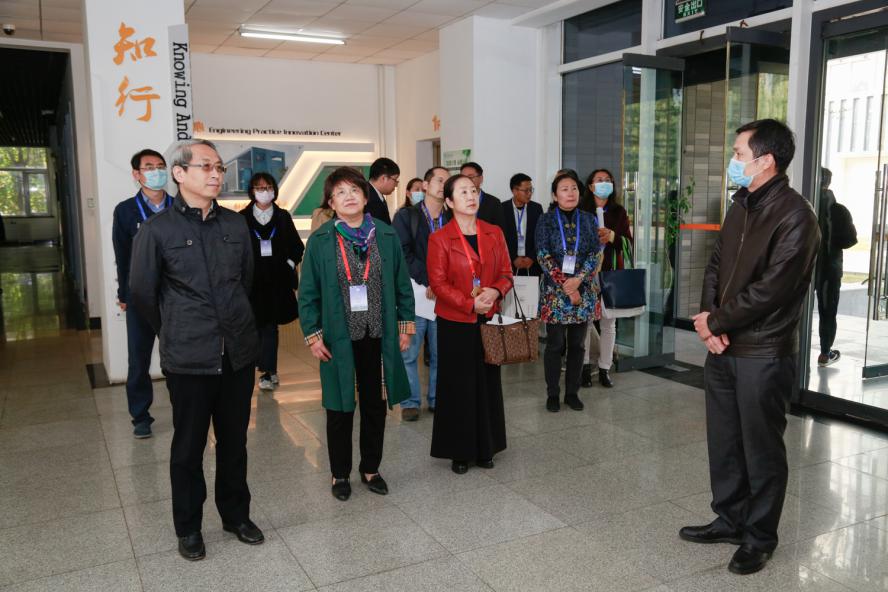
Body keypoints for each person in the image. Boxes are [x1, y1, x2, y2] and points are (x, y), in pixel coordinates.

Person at [680, 119, 819, 576]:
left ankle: (759, 538)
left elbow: (773, 290)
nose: (733, 161)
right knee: (725, 441)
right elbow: (716, 263)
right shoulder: (740, 204)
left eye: (739, 153)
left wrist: (717, 321)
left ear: (766, 161)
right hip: (723, 347)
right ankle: (730, 519)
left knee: (761, 450)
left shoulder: (797, 217)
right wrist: (709, 320)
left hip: (763, 352)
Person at [129, 139, 264, 561]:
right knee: (188, 447)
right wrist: (176, 328)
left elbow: (246, 281)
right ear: (179, 173)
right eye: (206, 166)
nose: (216, 174)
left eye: (219, 167)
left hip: (236, 352)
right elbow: (142, 294)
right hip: (189, 357)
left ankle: (236, 516)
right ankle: (188, 527)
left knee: (234, 441)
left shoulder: (235, 225)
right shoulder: (157, 230)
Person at [298, 166, 415, 502]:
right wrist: (313, 336)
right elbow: (308, 293)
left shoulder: (385, 235)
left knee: (375, 405)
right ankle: (339, 474)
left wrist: (405, 325)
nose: (348, 197)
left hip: (379, 335)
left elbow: (402, 284)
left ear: (365, 197)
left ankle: (371, 469)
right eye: (340, 193)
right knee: (339, 407)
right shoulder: (320, 240)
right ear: (331, 203)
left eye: (354, 191)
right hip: (338, 337)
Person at [427, 174, 512, 474]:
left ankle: (487, 447)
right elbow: (438, 283)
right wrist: (468, 303)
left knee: (488, 382)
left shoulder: (494, 232)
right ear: (449, 202)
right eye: (462, 192)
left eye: (473, 190)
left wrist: (496, 291)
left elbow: (506, 272)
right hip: (455, 321)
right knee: (458, 385)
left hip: (487, 317)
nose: (471, 196)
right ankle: (459, 451)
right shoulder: (440, 238)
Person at [111, 148, 173, 439]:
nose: (156, 171)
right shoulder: (125, 211)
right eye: (149, 167)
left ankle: (185, 406)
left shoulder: (179, 206)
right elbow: (122, 256)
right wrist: (124, 293)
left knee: (178, 355)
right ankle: (140, 415)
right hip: (140, 297)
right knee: (139, 358)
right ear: (137, 174)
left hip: (175, 296)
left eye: (160, 166)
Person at [536, 172, 602, 412]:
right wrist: (565, 284)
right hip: (555, 293)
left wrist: (578, 281)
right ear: (555, 195)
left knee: (578, 345)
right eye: (564, 189)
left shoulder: (589, 219)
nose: (570, 193)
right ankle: (552, 393)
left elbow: (595, 254)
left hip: (583, 290)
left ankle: (572, 393)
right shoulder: (545, 220)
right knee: (555, 345)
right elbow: (543, 255)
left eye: (574, 188)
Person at [392, 166, 450, 421]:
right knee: (410, 353)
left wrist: (441, 284)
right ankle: (410, 402)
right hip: (415, 295)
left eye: (448, 181)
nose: (443, 185)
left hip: (445, 296)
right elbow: (402, 253)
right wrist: (429, 280)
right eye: (439, 180)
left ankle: (438, 399)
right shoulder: (407, 216)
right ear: (425, 185)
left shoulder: (452, 217)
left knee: (441, 353)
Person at [239, 172, 305, 391]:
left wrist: (288, 263)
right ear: (252, 191)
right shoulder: (242, 218)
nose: (264, 192)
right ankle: (263, 366)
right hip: (252, 282)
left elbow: (297, 247)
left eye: (268, 187)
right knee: (255, 325)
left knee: (269, 326)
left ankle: (267, 371)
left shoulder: (283, 217)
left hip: (277, 282)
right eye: (259, 188)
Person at [578, 168, 632, 388]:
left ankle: (604, 368)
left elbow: (628, 243)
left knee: (609, 323)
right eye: (599, 180)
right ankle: (583, 367)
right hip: (585, 274)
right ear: (591, 186)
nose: (604, 183)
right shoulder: (581, 211)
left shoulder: (619, 211)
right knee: (585, 322)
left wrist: (612, 236)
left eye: (608, 180)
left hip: (610, 274)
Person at [814, 167, 857, 367]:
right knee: (828, 312)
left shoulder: (803, 206)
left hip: (804, 269)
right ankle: (825, 354)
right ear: (828, 183)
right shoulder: (839, 210)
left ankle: (793, 351)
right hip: (829, 269)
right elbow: (850, 239)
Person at [501, 173, 543, 277]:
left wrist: (532, 257)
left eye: (531, 190)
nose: (529, 193)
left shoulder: (536, 208)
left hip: (532, 264)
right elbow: (500, 238)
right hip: (509, 263)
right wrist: (513, 257)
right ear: (514, 191)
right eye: (526, 190)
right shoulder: (502, 209)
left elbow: (541, 237)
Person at [460, 161, 505, 227]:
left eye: (470, 177)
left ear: (481, 178)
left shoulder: (494, 203)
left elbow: (500, 229)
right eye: (463, 178)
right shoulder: (456, 201)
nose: (466, 180)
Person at [366, 157, 399, 224]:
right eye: (395, 180)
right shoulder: (366, 197)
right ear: (384, 178)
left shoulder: (377, 195)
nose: (396, 185)